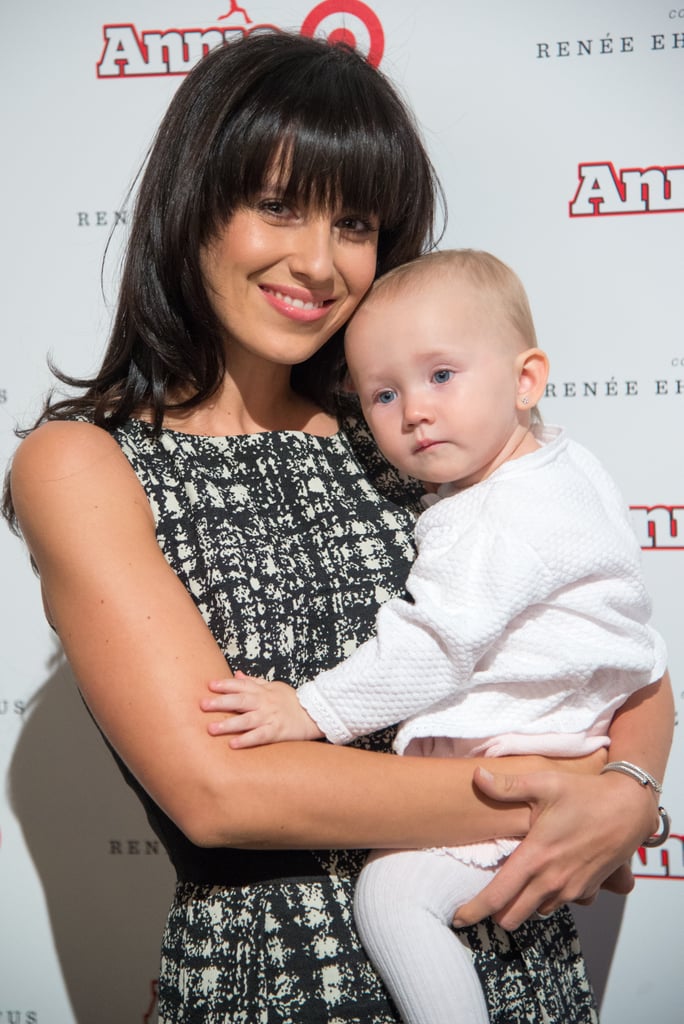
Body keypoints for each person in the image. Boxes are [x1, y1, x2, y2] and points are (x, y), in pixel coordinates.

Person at [2, 32, 673, 1024]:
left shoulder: (406, 427)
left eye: (353, 222)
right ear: (197, 204)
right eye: (277, 205)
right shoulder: (87, 461)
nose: (316, 263)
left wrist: (628, 787)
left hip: (516, 958)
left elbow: (610, 635)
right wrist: (564, 795)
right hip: (285, 986)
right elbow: (224, 789)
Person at [201, 248, 670, 1024]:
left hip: (525, 766)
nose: (414, 410)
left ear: (526, 379)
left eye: (442, 377)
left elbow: (431, 648)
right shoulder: (565, 465)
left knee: (392, 897)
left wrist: (309, 710)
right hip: (561, 762)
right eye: (384, 394)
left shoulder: (494, 515)